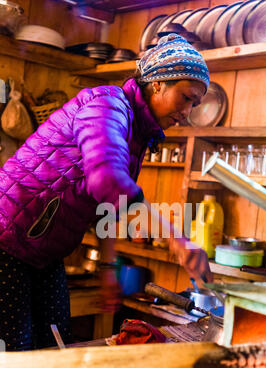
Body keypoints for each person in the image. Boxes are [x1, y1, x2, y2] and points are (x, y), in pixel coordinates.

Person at [0, 34, 212, 351]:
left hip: (46, 253)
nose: (188, 111)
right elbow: (107, 180)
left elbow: (108, 206)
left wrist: (108, 268)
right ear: (158, 84)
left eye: (195, 103)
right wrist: (176, 240)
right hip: (7, 239)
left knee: (55, 347)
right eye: (186, 97)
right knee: (15, 357)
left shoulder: (139, 134)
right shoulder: (106, 104)